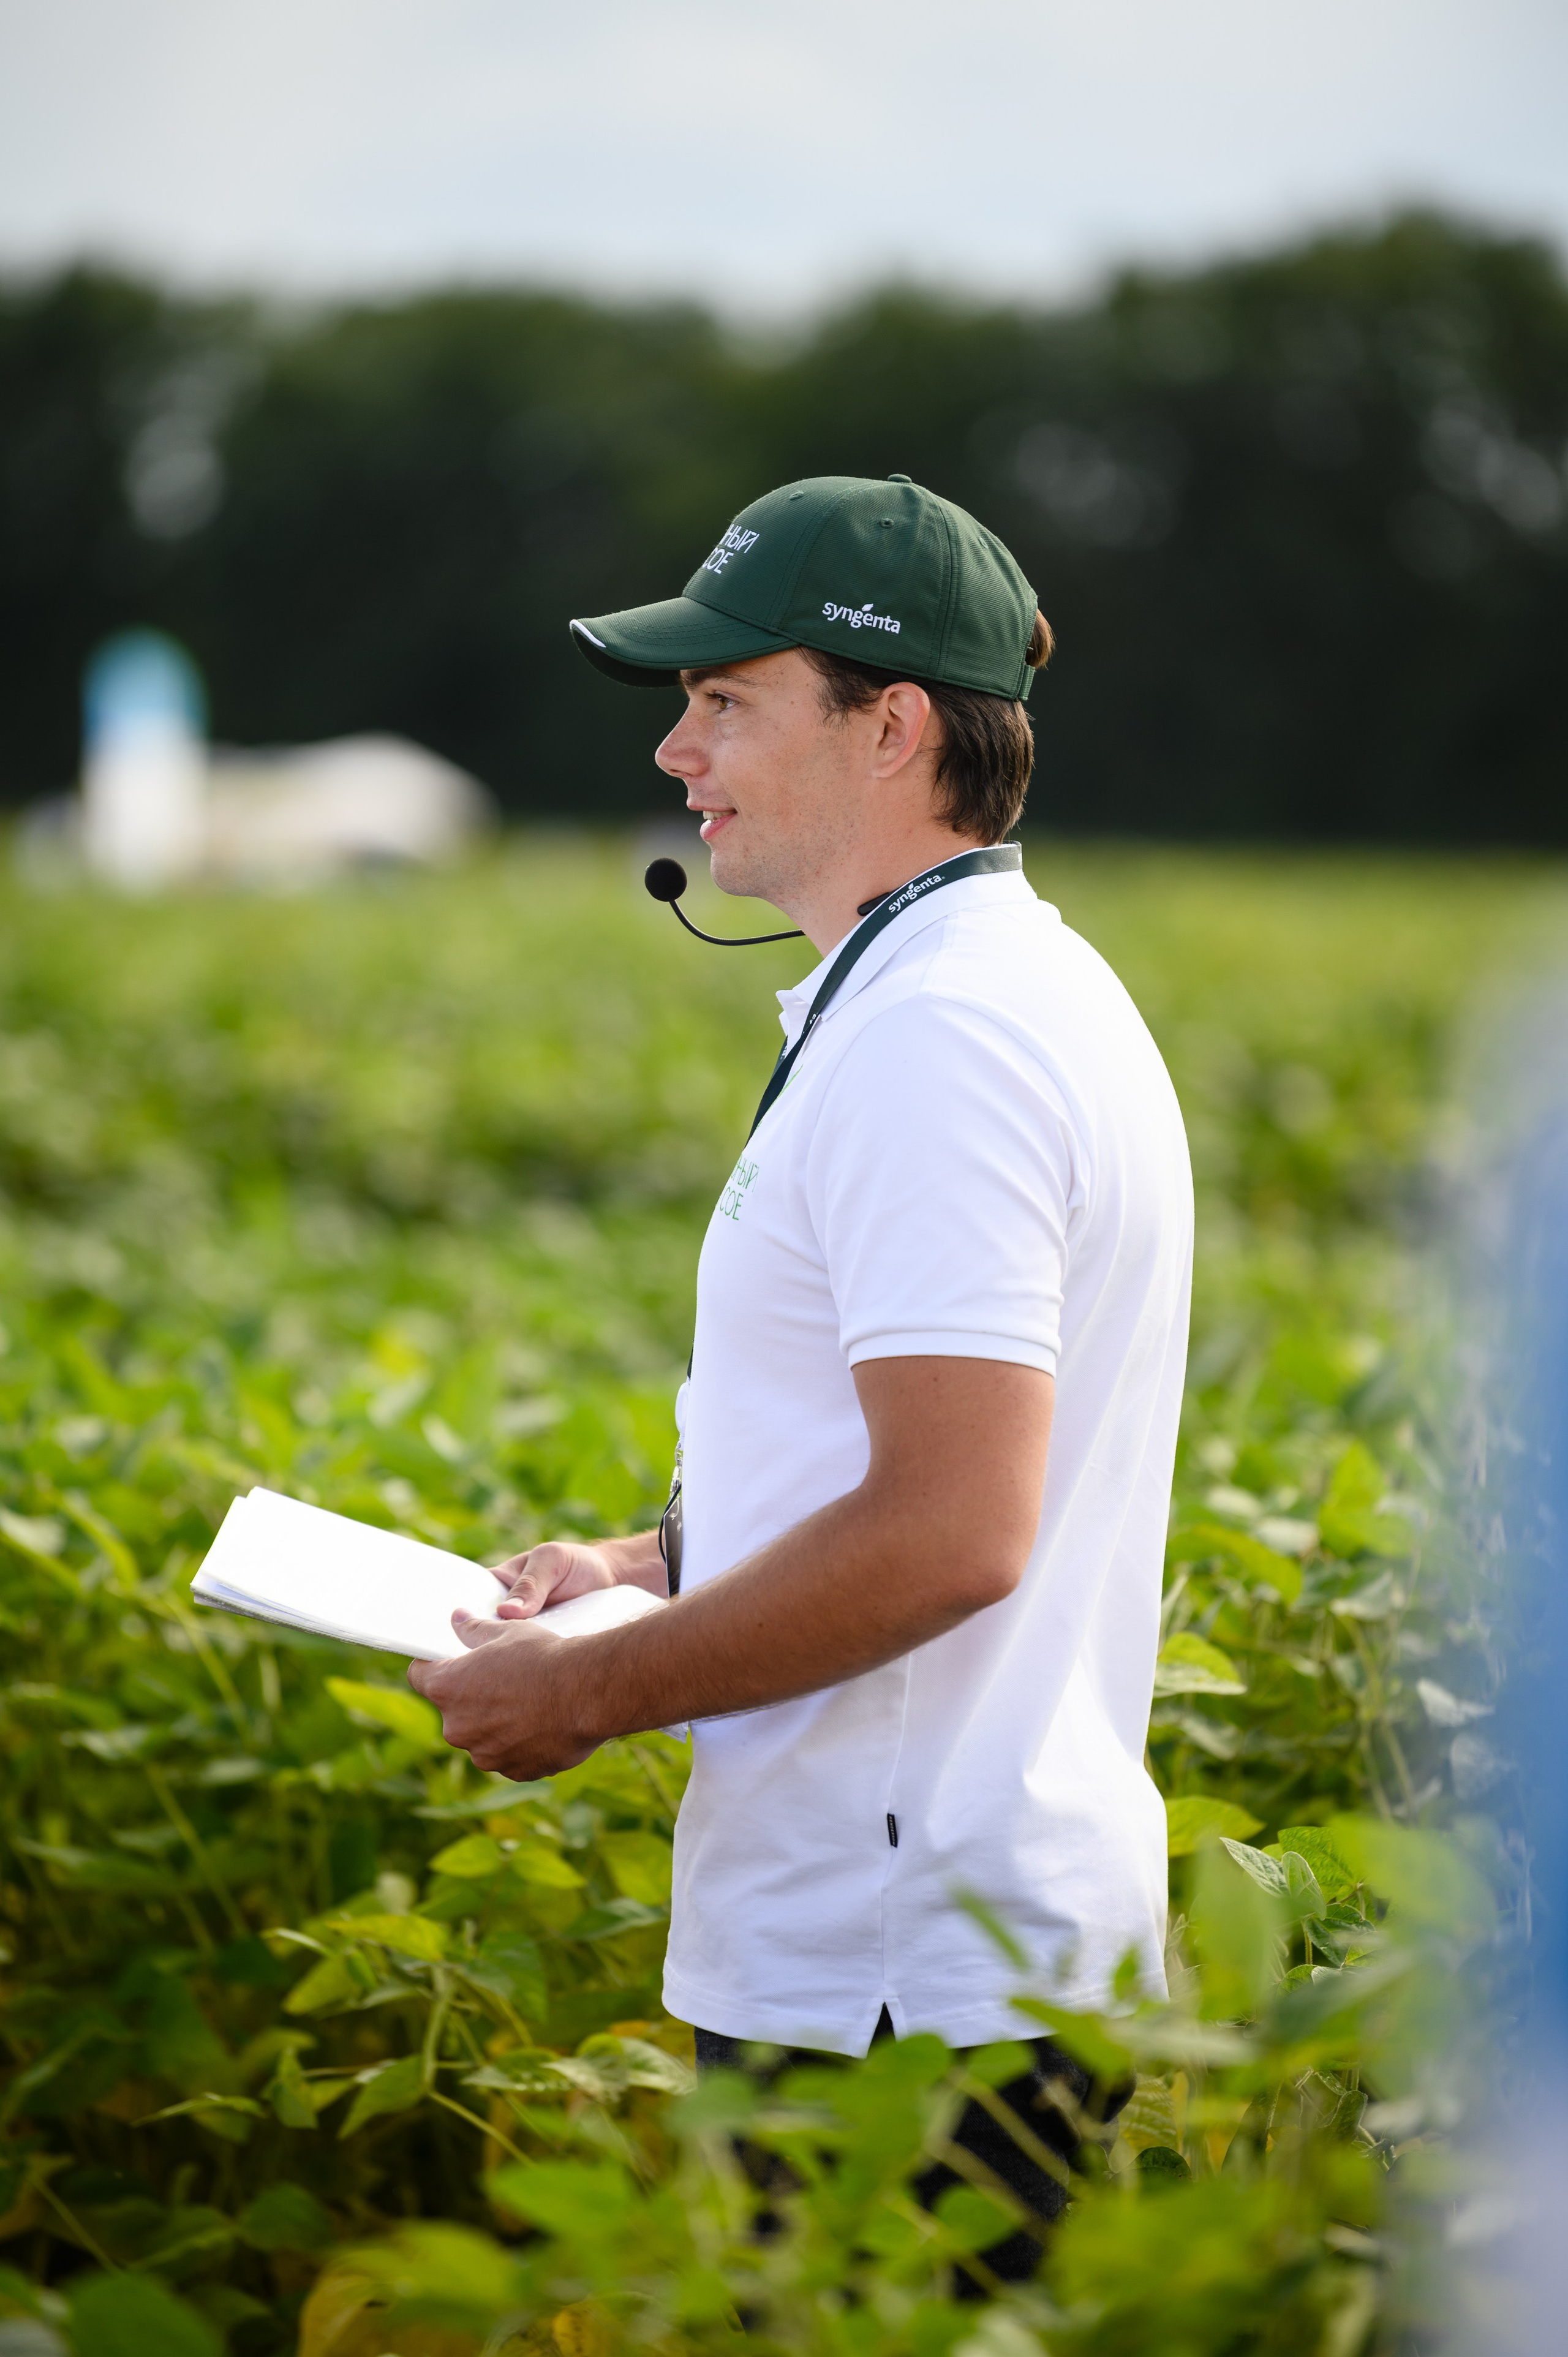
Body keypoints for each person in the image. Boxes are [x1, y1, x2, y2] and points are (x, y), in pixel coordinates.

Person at [410, 473, 1193, 2273]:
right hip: (929, 1959)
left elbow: (950, 1532)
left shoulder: (948, 1041)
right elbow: (909, 1466)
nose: (680, 754)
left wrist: (593, 1696)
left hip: (900, 1978)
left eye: (725, 701)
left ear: (893, 727)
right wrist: (650, 1567)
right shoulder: (962, 993)